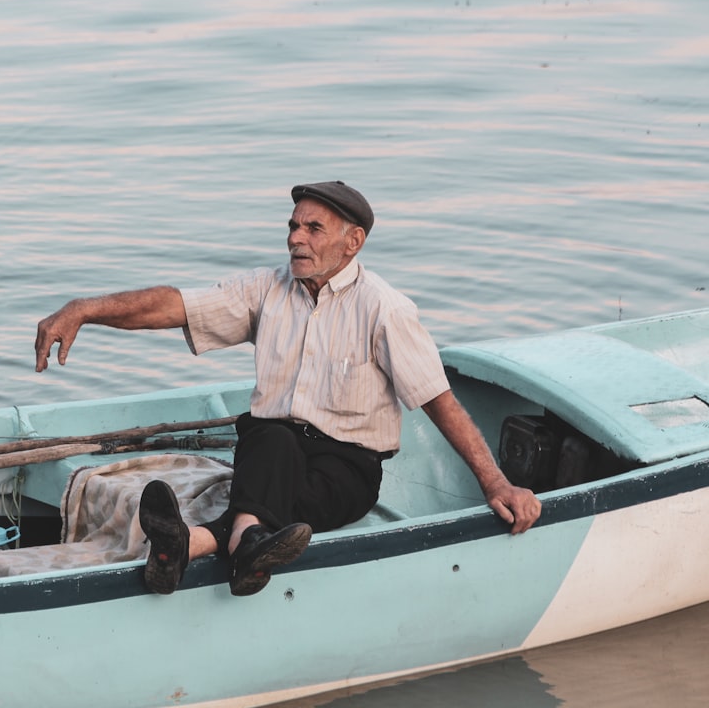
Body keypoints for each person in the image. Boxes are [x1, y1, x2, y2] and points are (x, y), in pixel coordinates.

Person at [34, 181, 542, 597]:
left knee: (274, 491)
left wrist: (496, 485)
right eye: (293, 226)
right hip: (272, 451)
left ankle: (193, 545)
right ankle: (248, 545)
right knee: (269, 436)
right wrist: (84, 309)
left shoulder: (386, 309)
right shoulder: (266, 289)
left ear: (353, 241)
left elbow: (439, 398)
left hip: (347, 468)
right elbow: (174, 307)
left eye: (313, 228)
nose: (296, 238)